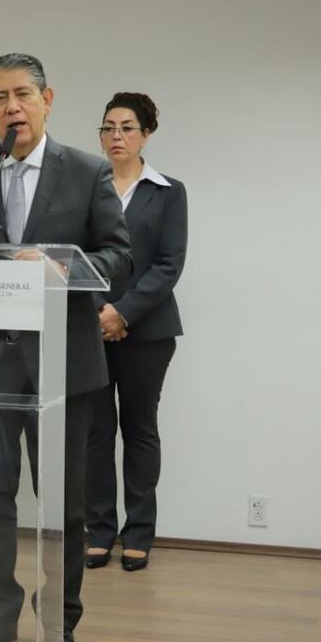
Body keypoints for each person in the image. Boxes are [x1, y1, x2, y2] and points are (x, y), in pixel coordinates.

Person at [0, 54, 132, 642]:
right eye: (0, 98)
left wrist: (59, 267)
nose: (12, 107)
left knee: (63, 502)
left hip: (64, 364)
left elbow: (119, 258)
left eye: (23, 95)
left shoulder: (88, 171)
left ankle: (59, 620)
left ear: (47, 100)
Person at [85, 92, 188, 572]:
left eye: (127, 127)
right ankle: (99, 530)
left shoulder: (169, 191)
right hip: (90, 327)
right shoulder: (85, 185)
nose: (116, 136)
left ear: (147, 133)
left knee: (140, 428)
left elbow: (168, 265)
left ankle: (139, 532)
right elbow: (76, 259)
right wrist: (99, 312)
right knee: (96, 431)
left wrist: (123, 313)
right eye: (108, 127)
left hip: (148, 331)